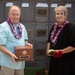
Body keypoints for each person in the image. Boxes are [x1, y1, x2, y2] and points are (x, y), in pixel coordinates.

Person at [0, 5, 33, 75]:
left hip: (20, 63)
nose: (15, 17)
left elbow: (24, 40)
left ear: (20, 15)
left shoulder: (22, 27)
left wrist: (27, 44)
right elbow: (0, 45)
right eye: (13, 14)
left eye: (17, 15)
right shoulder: (3, 27)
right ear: (9, 14)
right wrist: (10, 54)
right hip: (7, 64)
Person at [46, 5, 75, 75]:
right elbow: (49, 40)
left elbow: (73, 46)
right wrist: (47, 50)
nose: (59, 15)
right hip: (54, 60)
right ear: (55, 15)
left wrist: (60, 52)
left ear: (65, 15)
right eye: (57, 13)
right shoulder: (54, 27)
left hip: (66, 61)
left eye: (61, 13)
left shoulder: (71, 28)